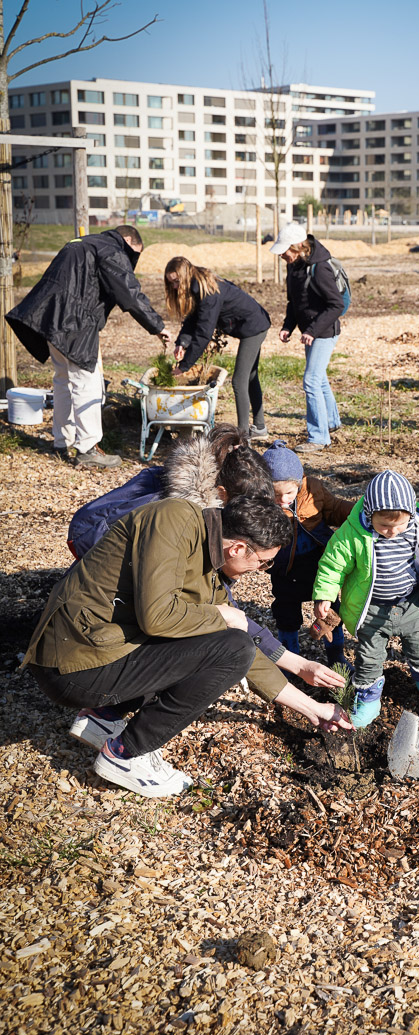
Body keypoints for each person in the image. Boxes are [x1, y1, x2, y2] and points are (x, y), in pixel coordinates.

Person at [23, 493, 353, 798]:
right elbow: (159, 618)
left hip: (99, 655)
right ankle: (126, 754)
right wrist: (220, 615)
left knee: (225, 641)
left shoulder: (208, 561)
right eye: (264, 562)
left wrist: (314, 708)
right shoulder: (175, 519)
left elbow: (244, 646)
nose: (261, 571)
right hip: (74, 663)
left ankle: (104, 716)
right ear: (237, 548)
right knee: (223, 642)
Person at [66, 424, 348, 693]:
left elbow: (228, 611)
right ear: (224, 499)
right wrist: (224, 620)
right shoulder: (178, 524)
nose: (261, 568)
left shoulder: (218, 520)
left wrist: (293, 671)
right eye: (261, 560)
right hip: (85, 644)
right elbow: (166, 615)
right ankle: (109, 710)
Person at [6, 226, 170, 467]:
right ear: (128, 240)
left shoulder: (81, 242)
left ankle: (62, 441)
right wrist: (157, 326)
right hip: (74, 324)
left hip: (51, 319)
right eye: (133, 253)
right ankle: (88, 448)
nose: (131, 260)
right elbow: (129, 292)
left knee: (63, 380)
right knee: (88, 384)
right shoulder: (112, 250)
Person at [313, 470, 419, 728]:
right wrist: (325, 594)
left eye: (399, 524)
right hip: (372, 610)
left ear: (410, 514)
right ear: (369, 515)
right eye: (384, 525)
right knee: (369, 657)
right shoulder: (353, 534)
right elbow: (333, 564)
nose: (391, 531)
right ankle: (368, 700)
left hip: (412, 605)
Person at [262, 439, 354, 667]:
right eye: (275, 495)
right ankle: (291, 658)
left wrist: (359, 513)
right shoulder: (261, 503)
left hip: (317, 564)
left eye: (289, 493)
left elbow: (335, 509)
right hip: (284, 569)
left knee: (330, 612)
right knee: (286, 615)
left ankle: (336, 657)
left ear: (300, 482)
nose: (283, 500)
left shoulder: (313, 490)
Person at [165, 257, 271, 439]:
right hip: (250, 324)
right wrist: (182, 343)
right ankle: (259, 428)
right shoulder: (198, 284)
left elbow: (204, 333)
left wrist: (184, 366)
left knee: (239, 380)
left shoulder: (208, 291)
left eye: (176, 282)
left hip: (254, 326)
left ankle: (243, 437)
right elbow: (193, 319)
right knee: (250, 376)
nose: (174, 287)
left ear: (185, 275)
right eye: (171, 283)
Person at [271, 222, 344, 452]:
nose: (282, 254)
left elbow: (336, 305)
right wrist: (287, 326)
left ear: (299, 246)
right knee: (318, 378)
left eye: (286, 250)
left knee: (311, 380)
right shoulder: (293, 266)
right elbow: (295, 302)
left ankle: (318, 438)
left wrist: (312, 330)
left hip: (324, 332)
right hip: (309, 332)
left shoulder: (319, 267)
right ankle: (331, 423)